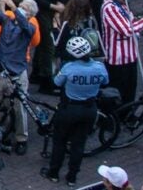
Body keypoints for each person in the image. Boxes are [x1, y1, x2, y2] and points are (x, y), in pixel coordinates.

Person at [42, 34, 109, 185]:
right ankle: (72, 177)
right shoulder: (99, 67)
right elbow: (105, 81)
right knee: (79, 144)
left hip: (69, 109)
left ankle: (53, 173)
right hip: (89, 109)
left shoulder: (69, 68)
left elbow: (57, 83)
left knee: (59, 141)